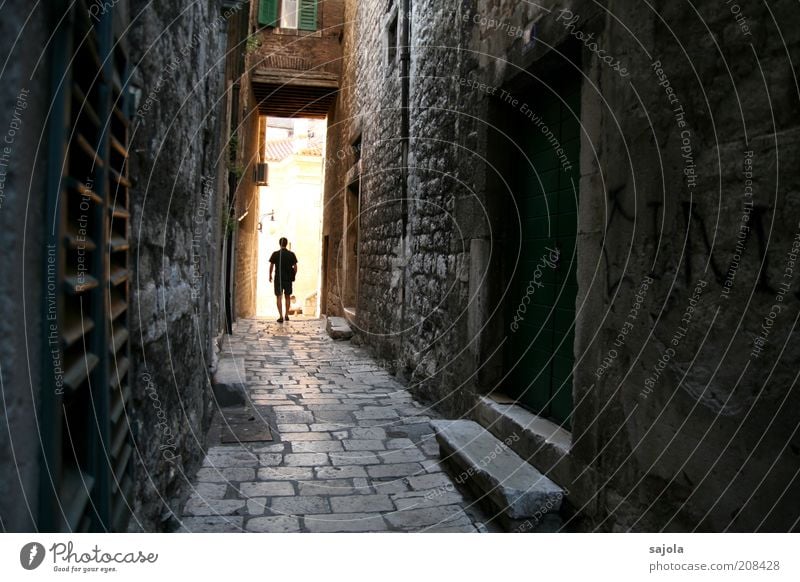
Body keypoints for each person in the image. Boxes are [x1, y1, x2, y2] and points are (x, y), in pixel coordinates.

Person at [269, 237, 298, 323]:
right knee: (287, 296)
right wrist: (293, 275)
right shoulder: (291, 254)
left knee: (279, 296)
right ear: (286, 244)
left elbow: (271, 265)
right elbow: (295, 267)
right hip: (288, 278)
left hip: (279, 278)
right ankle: (286, 315)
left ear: (279, 244)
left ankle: (281, 316)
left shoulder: (275, 254)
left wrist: (270, 275)